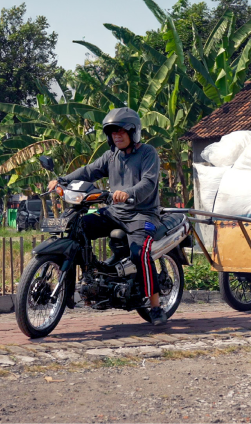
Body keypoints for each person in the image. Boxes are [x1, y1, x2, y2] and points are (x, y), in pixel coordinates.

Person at [47, 107, 168, 325]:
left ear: (134, 132)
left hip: (142, 215)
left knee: (140, 254)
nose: (117, 135)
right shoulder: (111, 156)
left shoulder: (148, 153)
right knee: (79, 226)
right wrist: (62, 180)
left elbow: (148, 183)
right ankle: (93, 275)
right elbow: (88, 170)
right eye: (113, 132)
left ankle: (156, 306)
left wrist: (128, 193)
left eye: (121, 131)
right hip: (114, 212)